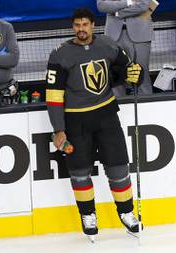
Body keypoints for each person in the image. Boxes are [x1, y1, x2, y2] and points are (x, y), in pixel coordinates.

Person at [46, 8, 143, 241]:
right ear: (73, 27)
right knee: (79, 172)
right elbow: (53, 96)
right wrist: (59, 129)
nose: (81, 29)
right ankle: (88, 215)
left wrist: (135, 75)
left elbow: (125, 71)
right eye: (77, 25)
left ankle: (127, 212)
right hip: (76, 120)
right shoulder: (59, 55)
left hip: (107, 115)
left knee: (119, 166)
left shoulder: (108, 45)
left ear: (92, 25)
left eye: (85, 25)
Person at [97, 0, 154, 95]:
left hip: (140, 34)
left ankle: (146, 107)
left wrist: (118, 13)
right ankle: (121, 108)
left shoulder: (117, 13)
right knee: (116, 77)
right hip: (113, 36)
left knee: (141, 76)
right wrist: (128, 2)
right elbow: (102, 5)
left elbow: (146, 5)